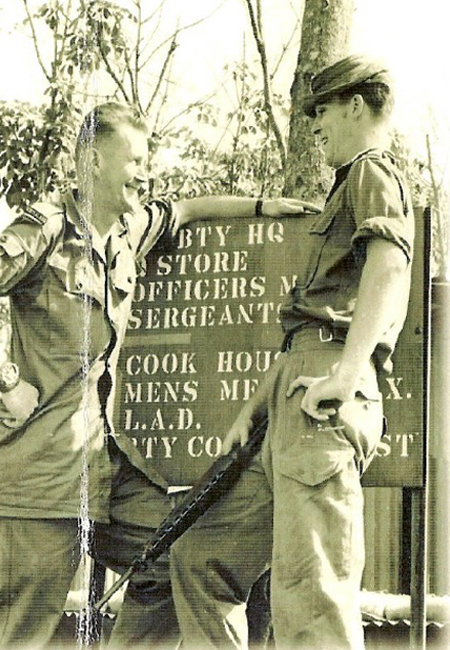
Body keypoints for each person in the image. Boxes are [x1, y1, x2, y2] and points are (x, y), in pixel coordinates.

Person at [0, 102, 317, 650]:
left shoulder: (124, 234)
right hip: (39, 478)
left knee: (172, 552)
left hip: (104, 472)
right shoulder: (46, 230)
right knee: (16, 634)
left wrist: (261, 206)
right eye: (134, 160)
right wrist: (5, 380)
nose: (145, 172)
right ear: (94, 160)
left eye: (147, 160)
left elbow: (183, 210)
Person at [170, 54, 415, 650]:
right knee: (200, 561)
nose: (315, 125)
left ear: (356, 105)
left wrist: (347, 376)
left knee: (312, 604)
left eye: (322, 110)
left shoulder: (370, 171)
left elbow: (390, 264)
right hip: (294, 396)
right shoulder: (349, 183)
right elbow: (305, 328)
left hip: (322, 403)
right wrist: (252, 410)